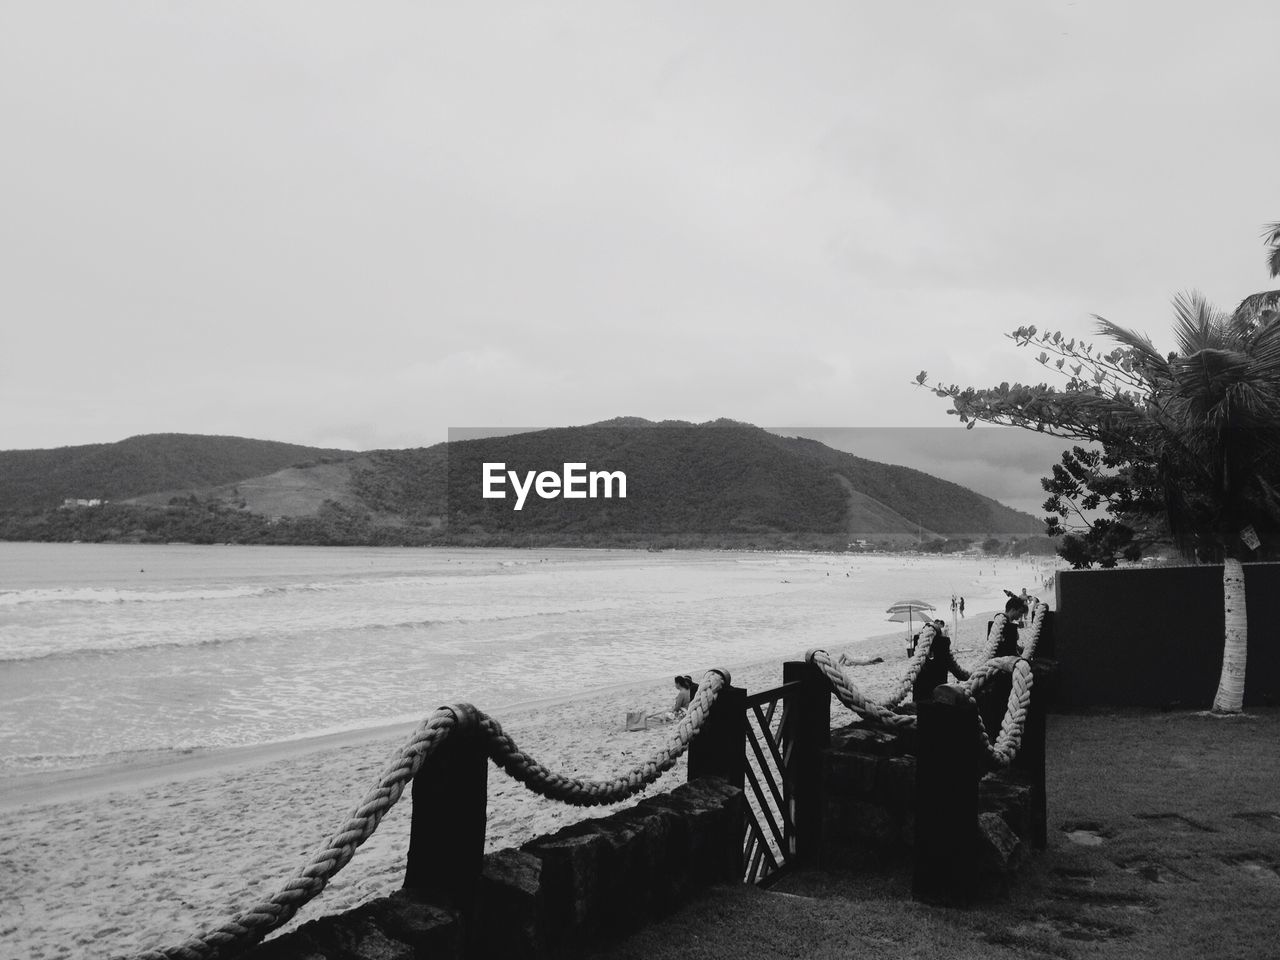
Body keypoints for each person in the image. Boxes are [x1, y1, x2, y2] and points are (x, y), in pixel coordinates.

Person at [911, 621, 970, 703]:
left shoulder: (920, 653)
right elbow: (960, 674)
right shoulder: (942, 643)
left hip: (920, 700)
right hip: (938, 702)